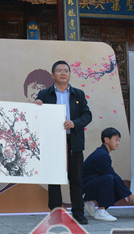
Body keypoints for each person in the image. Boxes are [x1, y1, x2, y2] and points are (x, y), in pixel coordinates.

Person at [35, 60, 92, 225]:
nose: (63, 73)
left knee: (76, 179)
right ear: (52, 75)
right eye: (59, 70)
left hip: (73, 141)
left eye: (66, 70)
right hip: (53, 142)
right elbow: (37, 116)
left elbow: (87, 115)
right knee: (54, 179)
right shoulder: (44, 94)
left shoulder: (78, 94)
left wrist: (75, 123)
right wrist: (37, 106)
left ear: (69, 74)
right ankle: (55, 214)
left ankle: (78, 213)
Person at [82, 127, 134, 222]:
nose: (118, 143)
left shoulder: (103, 153)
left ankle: (91, 202)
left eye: (119, 140)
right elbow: (113, 176)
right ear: (106, 140)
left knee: (117, 185)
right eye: (116, 140)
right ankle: (100, 211)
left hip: (90, 187)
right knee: (109, 178)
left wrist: (125, 194)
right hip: (83, 190)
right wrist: (132, 196)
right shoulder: (101, 155)